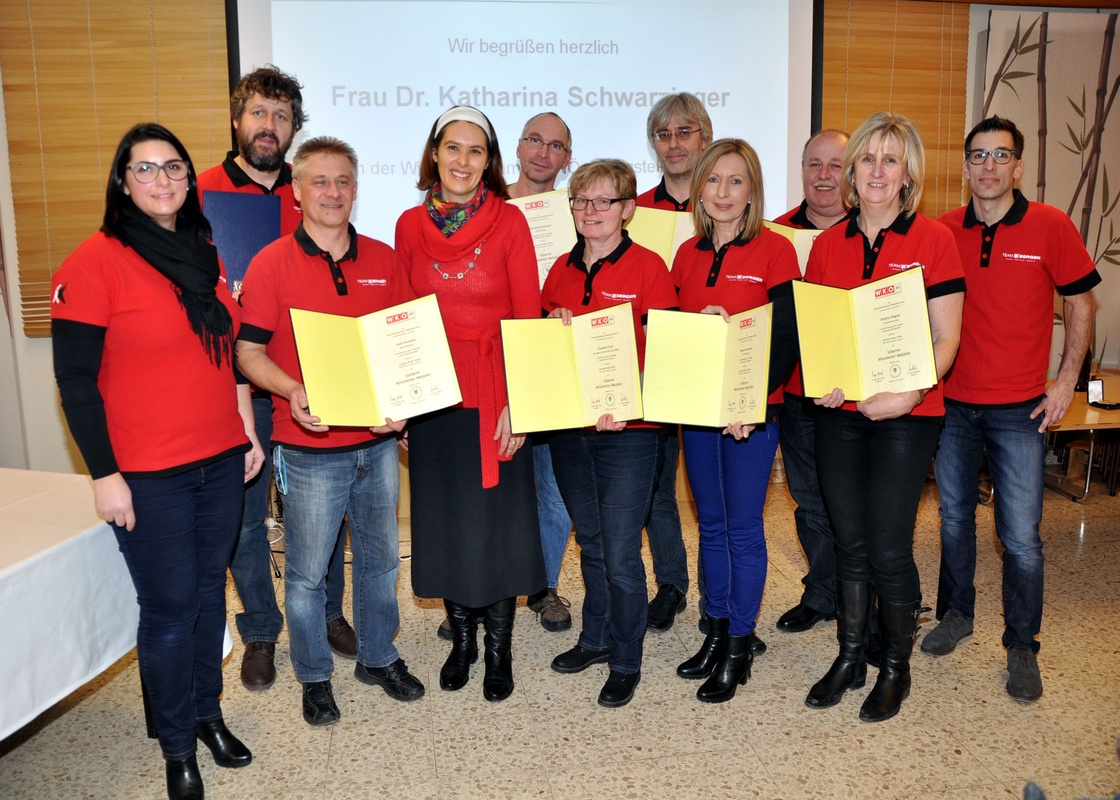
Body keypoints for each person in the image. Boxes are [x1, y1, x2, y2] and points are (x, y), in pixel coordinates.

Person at [52, 122, 264, 800]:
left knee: (208, 597)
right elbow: (76, 382)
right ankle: (177, 748)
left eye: (173, 167)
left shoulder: (203, 253)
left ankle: (208, 715)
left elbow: (224, 352)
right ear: (122, 181)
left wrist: (247, 430)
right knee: (171, 608)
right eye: (144, 169)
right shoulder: (94, 262)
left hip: (221, 459)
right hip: (148, 475)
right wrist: (104, 473)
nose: (163, 180)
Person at [236, 136, 423, 726]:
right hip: (309, 447)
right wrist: (291, 390)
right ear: (296, 189)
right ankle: (314, 675)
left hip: (376, 444)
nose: (333, 192)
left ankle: (377, 655)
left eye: (343, 181)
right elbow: (247, 352)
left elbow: (406, 347)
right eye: (320, 181)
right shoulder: (271, 264)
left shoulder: (386, 260)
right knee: (308, 572)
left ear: (356, 189)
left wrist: (404, 406)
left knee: (380, 560)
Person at [928, 116, 1100, 702]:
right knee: (953, 519)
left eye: (1001, 156)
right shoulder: (944, 229)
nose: (989, 166)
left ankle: (1022, 645)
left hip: (1020, 410)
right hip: (952, 405)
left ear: (1018, 166)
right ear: (966, 167)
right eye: (978, 156)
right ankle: (956, 615)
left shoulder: (1051, 225)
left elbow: (1082, 303)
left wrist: (1067, 382)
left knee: (1021, 536)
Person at [198, 65, 358, 692]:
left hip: (313, 383)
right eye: (259, 113)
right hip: (230, 385)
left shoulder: (312, 195)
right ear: (238, 120)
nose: (270, 126)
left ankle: (327, 612)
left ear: (295, 128)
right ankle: (262, 629)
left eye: (282, 116)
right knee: (244, 515)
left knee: (325, 508)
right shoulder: (200, 193)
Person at [802, 112, 965, 723]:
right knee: (849, 540)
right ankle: (850, 656)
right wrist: (823, 383)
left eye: (890, 160)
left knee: (891, 546)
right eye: (867, 159)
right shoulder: (827, 244)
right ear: (852, 171)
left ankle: (895, 669)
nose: (876, 171)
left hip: (908, 413)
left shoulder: (933, 240)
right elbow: (823, 333)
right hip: (841, 414)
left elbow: (946, 337)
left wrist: (909, 394)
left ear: (908, 175)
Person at [395, 106, 545, 703]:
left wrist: (521, 404)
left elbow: (527, 317)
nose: (462, 161)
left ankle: (500, 648)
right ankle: (462, 640)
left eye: (475, 151)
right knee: (446, 522)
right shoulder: (409, 225)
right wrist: (405, 402)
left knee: (497, 527)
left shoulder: (510, 221)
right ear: (435, 153)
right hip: (435, 400)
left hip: (494, 394)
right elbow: (403, 318)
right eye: (452, 148)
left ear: (489, 161)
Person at [545, 159, 679, 708]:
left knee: (622, 550)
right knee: (592, 540)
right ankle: (595, 638)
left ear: (628, 209)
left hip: (631, 430)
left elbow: (666, 354)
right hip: (571, 429)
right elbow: (544, 353)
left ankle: (626, 659)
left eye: (603, 201)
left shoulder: (650, 268)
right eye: (580, 201)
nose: (590, 212)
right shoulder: (559, 268)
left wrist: (629, 405)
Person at [672, 139, 800, 702]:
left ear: (753, 191)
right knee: (712, 525)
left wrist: (750, 405)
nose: (723, 193)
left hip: (754, 413)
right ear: (700, 187)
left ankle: (741, 646)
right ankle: (716, 628)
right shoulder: (686, 255)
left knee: (744, 528)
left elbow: (786, 340)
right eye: (713, 181)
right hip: (699, 411)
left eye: (736, 181)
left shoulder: (776, 251)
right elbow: (677, 334)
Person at [635, 92, 718, 638]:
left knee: (718, 496)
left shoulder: (725, 203)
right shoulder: (634, 209)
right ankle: (671, 584)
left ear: (705, 138)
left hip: (710, 364)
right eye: (664, 135)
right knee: (657, 488)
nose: (674, 144)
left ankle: (723, 601)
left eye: (684, 132)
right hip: (652, 363)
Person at [771, 129, 850, 635]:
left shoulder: (869, 233)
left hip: (856, 394)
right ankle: (823, 592)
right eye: (814, 165)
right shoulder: (773, 235)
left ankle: (862, 594)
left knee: (854, 501)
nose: (823, 176)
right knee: (809, 498)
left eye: (836, 165)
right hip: (797, 391)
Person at [508, 111, 576, 632]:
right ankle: (486, 587)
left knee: (552, 488)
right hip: (494, 361)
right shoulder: (480, 207)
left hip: (553, 361)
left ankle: (544, 586)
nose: (542, 152)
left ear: (566, 159)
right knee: (500, 486)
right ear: (518, 146)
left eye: (555, 146)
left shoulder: (578, 219)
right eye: (534, 139)